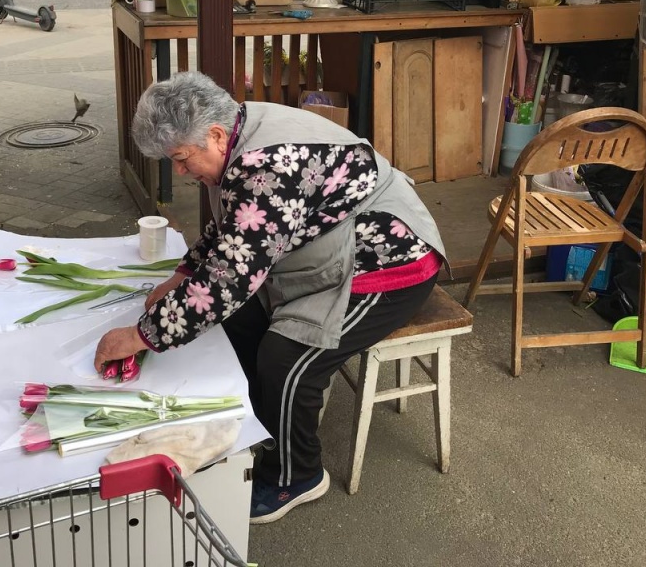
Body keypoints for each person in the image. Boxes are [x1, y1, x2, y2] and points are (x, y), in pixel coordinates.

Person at [94, 71, 446, 524]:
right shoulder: (237, 133)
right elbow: (233, 231)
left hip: (390, 258)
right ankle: (268, 417)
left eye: (181, 159)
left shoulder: (266, 168)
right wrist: (184, 272)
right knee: (241, 320)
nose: (179, 172)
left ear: (216, 136)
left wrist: (142, 336)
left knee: (287, 357)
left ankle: (296, 475)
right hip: (329, 247)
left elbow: (230, 279)